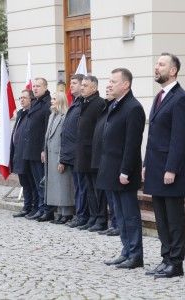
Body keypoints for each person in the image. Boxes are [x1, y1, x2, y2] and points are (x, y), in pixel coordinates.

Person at [143, 53, 185, 278]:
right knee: (161, 218)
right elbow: (154, 135)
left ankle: (176, 263)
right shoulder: (160, 97)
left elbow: (179, 138)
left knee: (174, 218)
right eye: (156, 64)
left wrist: (171, 168)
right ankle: (166, 259)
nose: (156, 67)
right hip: (155, 167)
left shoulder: (181, 98)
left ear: (173, 71)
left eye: (161, 64)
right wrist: (145, 163)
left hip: (170, 170)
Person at [97, 68, 145, 269]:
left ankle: (135, 255)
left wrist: (125, 171)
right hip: (111, 170)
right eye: (109, 80)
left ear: (125, 84)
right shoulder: (115, 105)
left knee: (130, 215)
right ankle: (126, 251)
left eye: (113, 81)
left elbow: (132, 143)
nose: (109, 84)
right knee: (119, 215)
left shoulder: (133, 108)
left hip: (123, 172)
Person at [73, 75, 106, 232]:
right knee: (89, 189)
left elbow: (99, 131)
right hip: (83, 154)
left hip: (93, 155)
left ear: (94, 87)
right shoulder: (83, 102)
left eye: (85, 85)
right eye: (82, 85)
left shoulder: (99, 104)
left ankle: (101, 218)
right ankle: (93, 217)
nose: (82, 88)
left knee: (97, 189)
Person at [58, 74, 88, 228]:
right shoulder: (75, 103)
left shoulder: (83, 104)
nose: (72, 86)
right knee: (78, 187)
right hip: (71, 154)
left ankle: (82, 215)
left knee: (82, 188)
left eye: (75, 83)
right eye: (71, 83)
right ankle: (80, 214)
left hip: (79, 154)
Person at [41, 92, 74, 224]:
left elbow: (64, 139)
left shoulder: (65, 116)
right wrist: (44, 150)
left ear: (60, 101)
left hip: (59, 155)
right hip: (50, 155)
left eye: (54, 99)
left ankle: (67, 213)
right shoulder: (51, 116)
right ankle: (60, 212)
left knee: (64, 185)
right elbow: (48, 136)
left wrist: (62, 159)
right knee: (56, 186)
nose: (51, 101)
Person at [23, 78, 52, 220]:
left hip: (39, 151)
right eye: (33, 86)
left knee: (42, 182)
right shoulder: (35, 103)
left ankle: (46, 209)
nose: (35, 88)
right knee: (36, 182)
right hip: (31, 149)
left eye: (38, 86)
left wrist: (43, 149)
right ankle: (39, 207)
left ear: (45, 87)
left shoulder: (47, 104)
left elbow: (47, 129)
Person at [94, 86, 119, 237]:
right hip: (103, 158)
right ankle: (114, 222)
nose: (107, 91)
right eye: (107, 89)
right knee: (109, 195)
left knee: (114, 195)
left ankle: (116, 223)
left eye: (110, 89)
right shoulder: (106, 108)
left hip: (113, 159)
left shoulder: (115, 108)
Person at [11, 89, 38, 218]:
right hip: (19, 152)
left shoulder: (32, 114)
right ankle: (26, 207)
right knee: (24, 182)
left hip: (28, 153)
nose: (21, 100)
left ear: (31, 99)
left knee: (32, 182)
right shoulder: (21, 113)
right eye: (20, 98)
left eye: (24, 98)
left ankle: (34, 206)